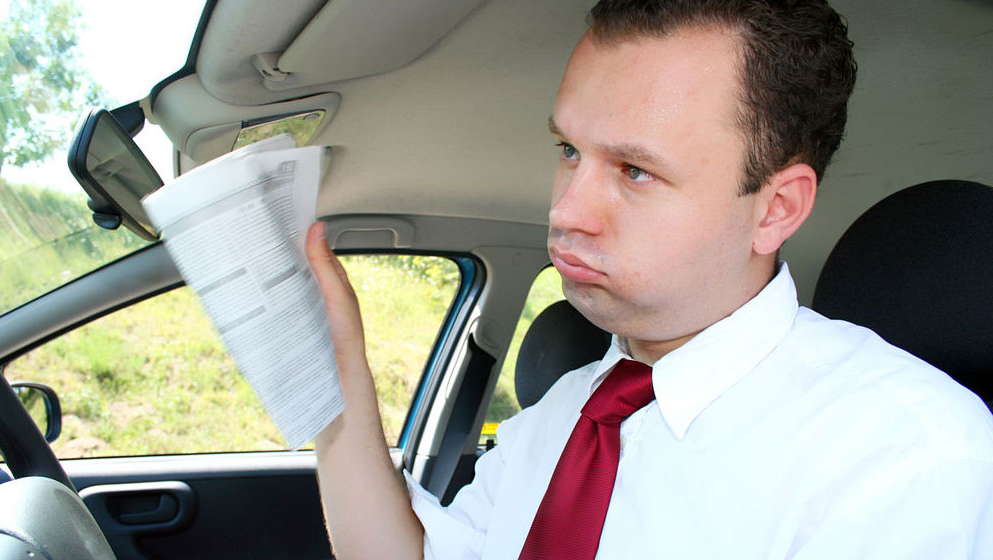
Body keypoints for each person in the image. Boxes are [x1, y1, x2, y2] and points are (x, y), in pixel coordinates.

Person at [304, 1, 993, 558]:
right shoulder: (554, 421)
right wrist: (338, 382)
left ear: (775, 209)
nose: (566, 211)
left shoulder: (903, 460)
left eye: (636, 171)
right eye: (569, 151)